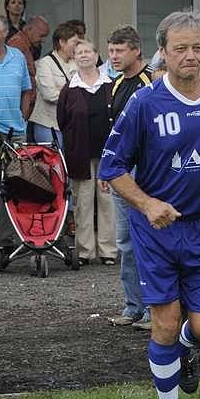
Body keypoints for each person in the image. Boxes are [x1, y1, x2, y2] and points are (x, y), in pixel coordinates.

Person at [99, 11, 200, 399]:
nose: (190, 56)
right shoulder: (145, 103)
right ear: (161, 52)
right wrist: (147, 204)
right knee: (164, 324)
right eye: (179, 48)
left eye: (196, 47)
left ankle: (183, 351)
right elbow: (112, 166)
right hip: (159, 231)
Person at [105, 25, 154, 328]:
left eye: (119, 50)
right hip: (121, 170)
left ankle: (152, 310)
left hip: (143, 172)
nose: (113, 56)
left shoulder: (151, 81)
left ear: (136, 50)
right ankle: (133, 307)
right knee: (124, 242)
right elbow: (114, 130)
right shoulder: (115, 83)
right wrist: (108, 168)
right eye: (110, 51)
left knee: (147, 241)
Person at [57, 40, 117, 266]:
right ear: (74, 57)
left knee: (107, 201)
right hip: (80, 154)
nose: (83, 55)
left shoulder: (111, 84)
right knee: (82, 203)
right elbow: (62, 120)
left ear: (96, 55)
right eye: (78, 52)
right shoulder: (68, 89)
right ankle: (84, 251)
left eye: (87, 51)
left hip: (108, 153)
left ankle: (108, 251)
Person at [0, 15, 31, 256]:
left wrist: (22, 118)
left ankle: (8, 238)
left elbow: (26, 91)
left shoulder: (17, 57)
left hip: (16, 131)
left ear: (4, 33)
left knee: (15, 185)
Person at [29, 23, 79, 147]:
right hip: (48, 125)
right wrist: (74, 95)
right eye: (75, 43)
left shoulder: (77, 63)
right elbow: (49, 95)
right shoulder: (45, 64)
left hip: (70, 124)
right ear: (62, 42)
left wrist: (63, 91)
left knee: (68, 164)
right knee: (51, 164)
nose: (78, 47)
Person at [8, 16, 50, 121]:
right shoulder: (17, 45)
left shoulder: (25, 45)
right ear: (29, 29)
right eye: (42, 35)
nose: (43, 40)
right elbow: (16, 82)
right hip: (19, 111)